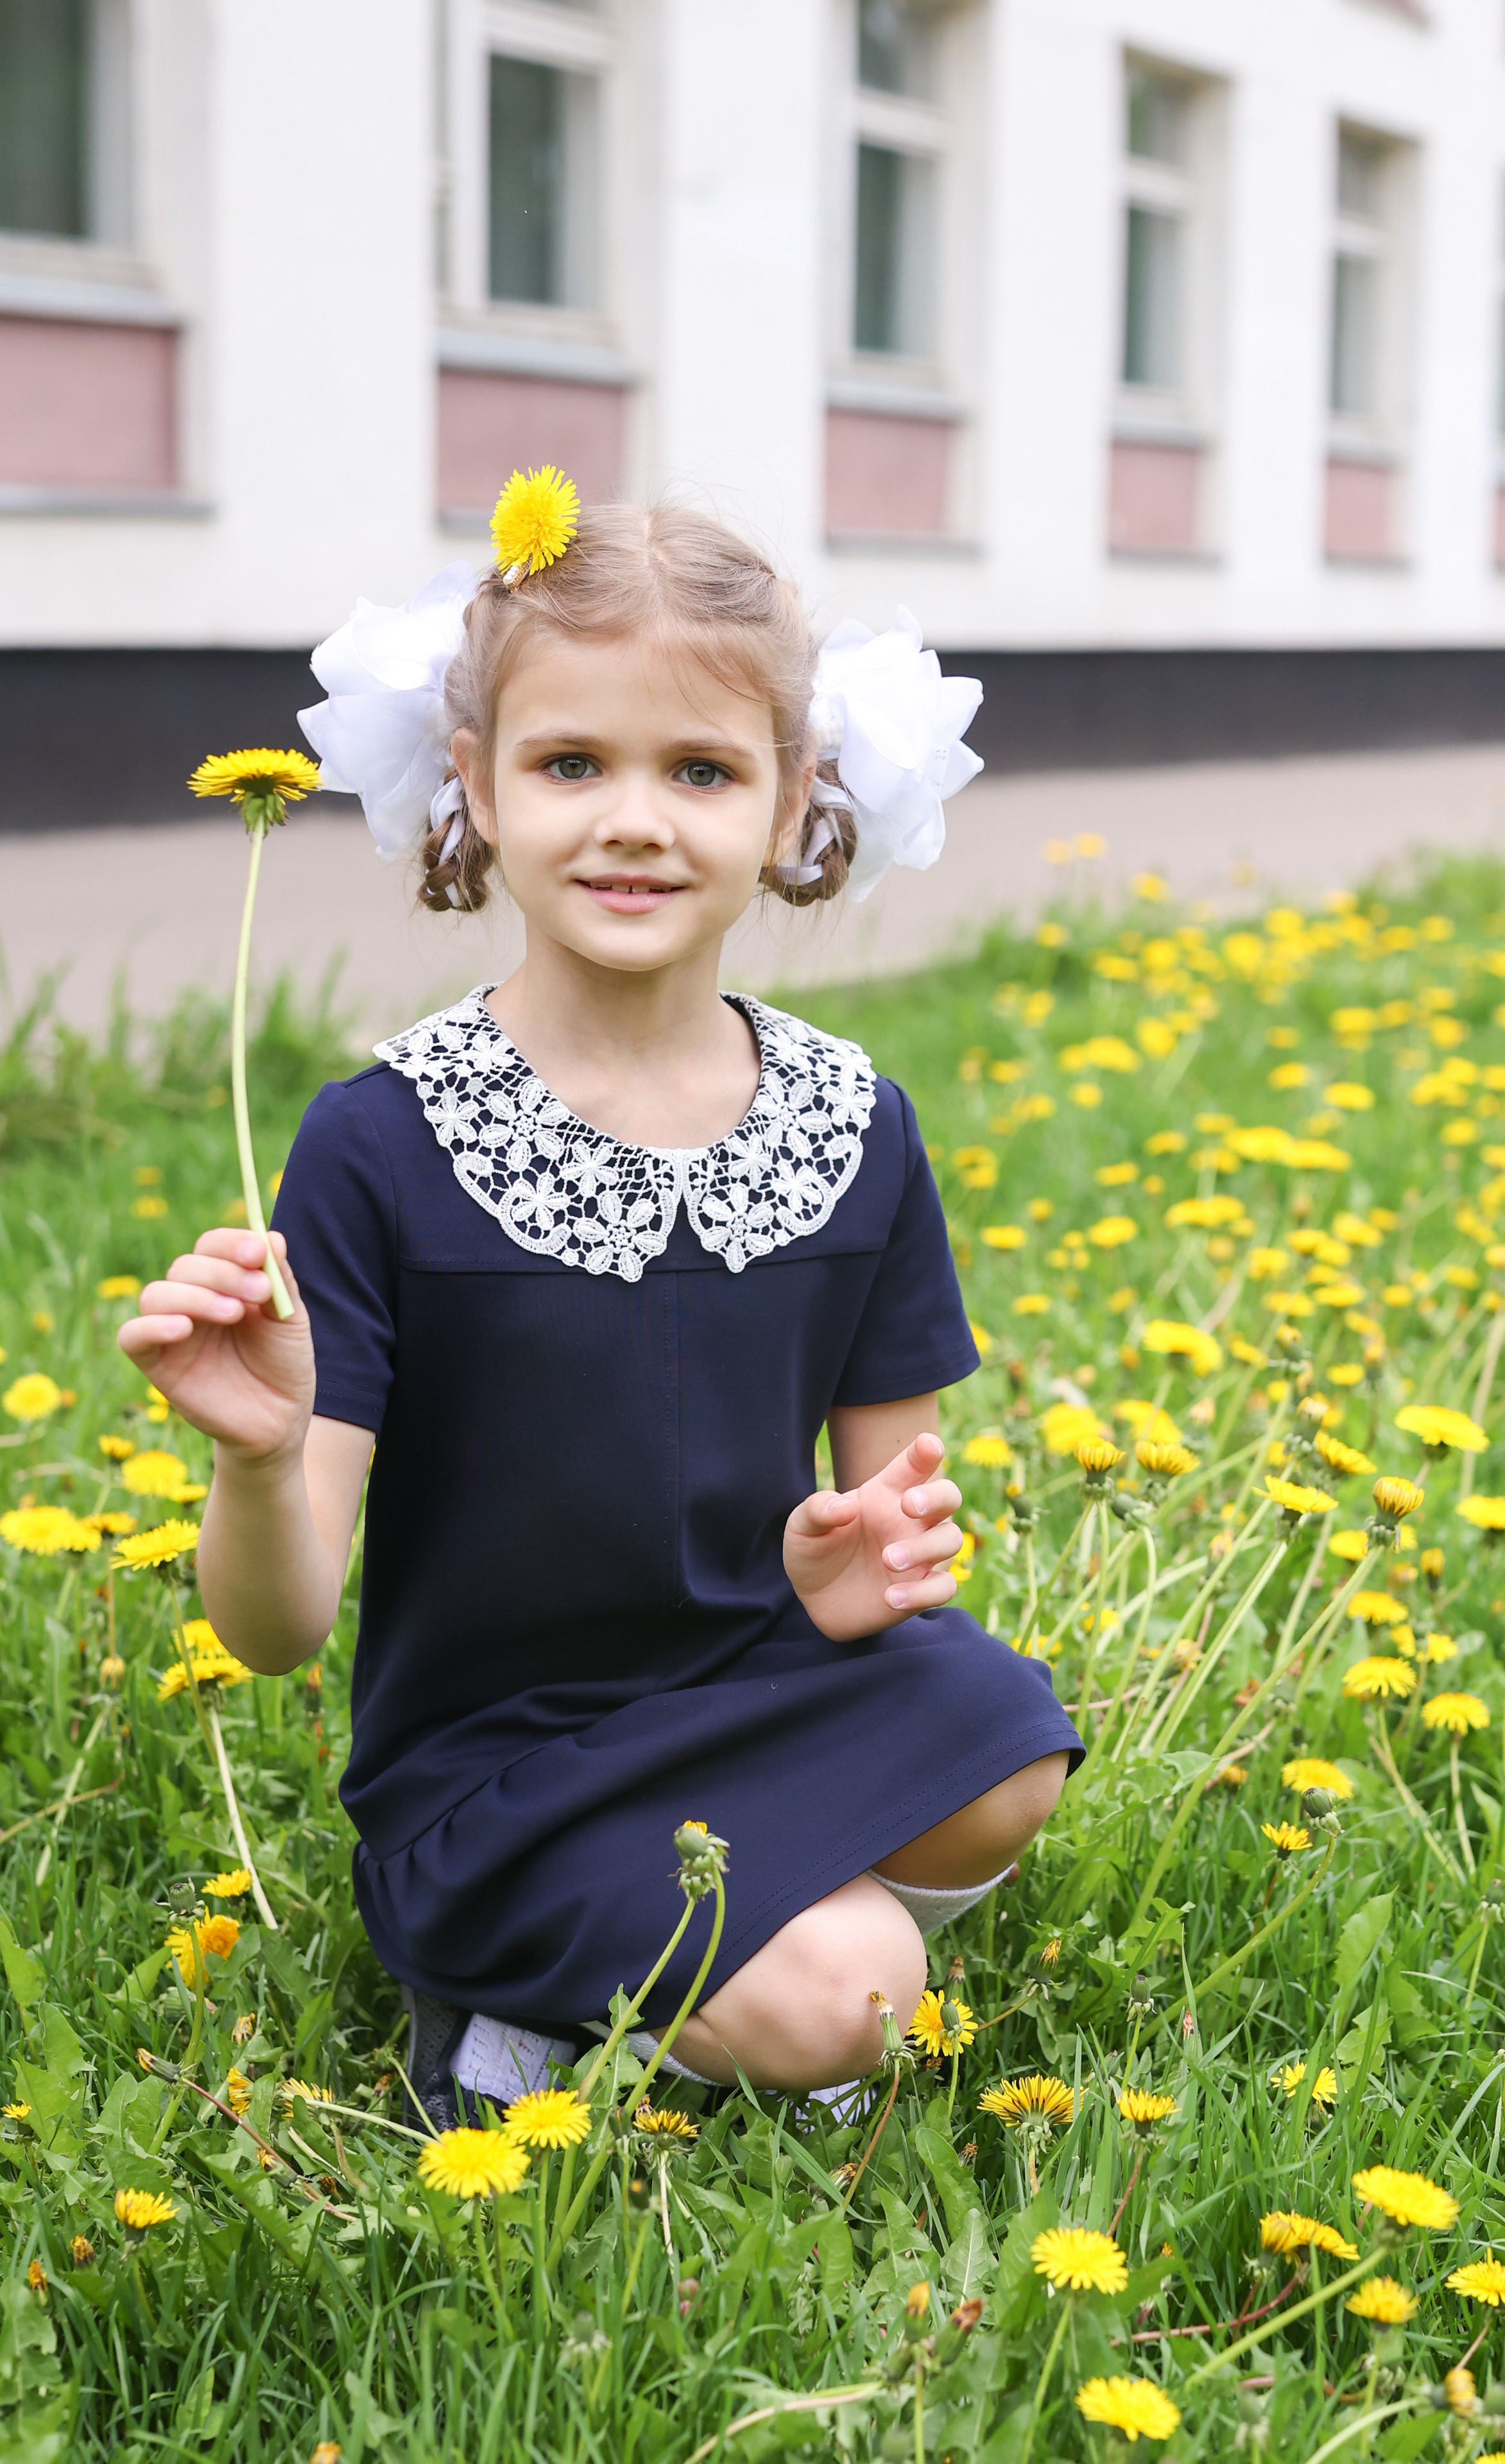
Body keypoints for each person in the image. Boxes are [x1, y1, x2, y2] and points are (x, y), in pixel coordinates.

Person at [117, 472, 1080, 2123]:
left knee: (1007, 1732)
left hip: (756, 1698)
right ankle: (526, 1996)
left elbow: (897, 1527)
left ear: (791, 807)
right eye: (572, 763)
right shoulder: (380, 1140)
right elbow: (268, 1638)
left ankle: (640, 1989)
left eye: (700, 771)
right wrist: (264, 1460)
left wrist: (858, 1578)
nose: (633, 818)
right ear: (477, 786)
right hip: (500, 1779)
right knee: (865, 1994)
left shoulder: (855, 1123)